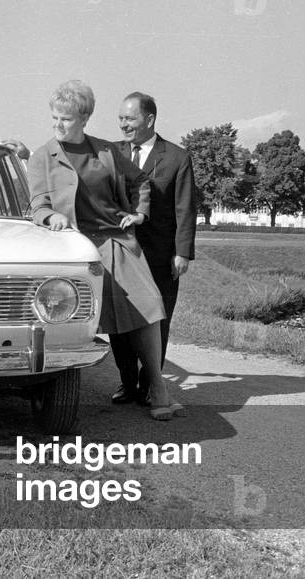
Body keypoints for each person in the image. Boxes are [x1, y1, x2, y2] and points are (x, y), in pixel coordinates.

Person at [27, 80, 182, 420]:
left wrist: (139, 213)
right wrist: (51, 215)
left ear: (84, 118)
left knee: (149, 305)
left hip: (116, 239)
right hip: (74, 246)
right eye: (54, 118)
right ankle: (64, 391)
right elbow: (37, 205)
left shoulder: (107, 151)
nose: (57, 125)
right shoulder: (42, 157)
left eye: (65, 119)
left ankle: (157, 385)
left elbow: (141, 181)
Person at [111, 92, 196, 405]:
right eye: (120, 118)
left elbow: (185, 209)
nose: (123, 125)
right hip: (119, 254)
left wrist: (182, 252)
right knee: (118, 322)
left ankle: (151, 385)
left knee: (157, 321)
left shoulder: (176, 157)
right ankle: (127, 383)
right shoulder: (112, 152)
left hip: (160, 257)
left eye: (129, 119)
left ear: (149, 119)